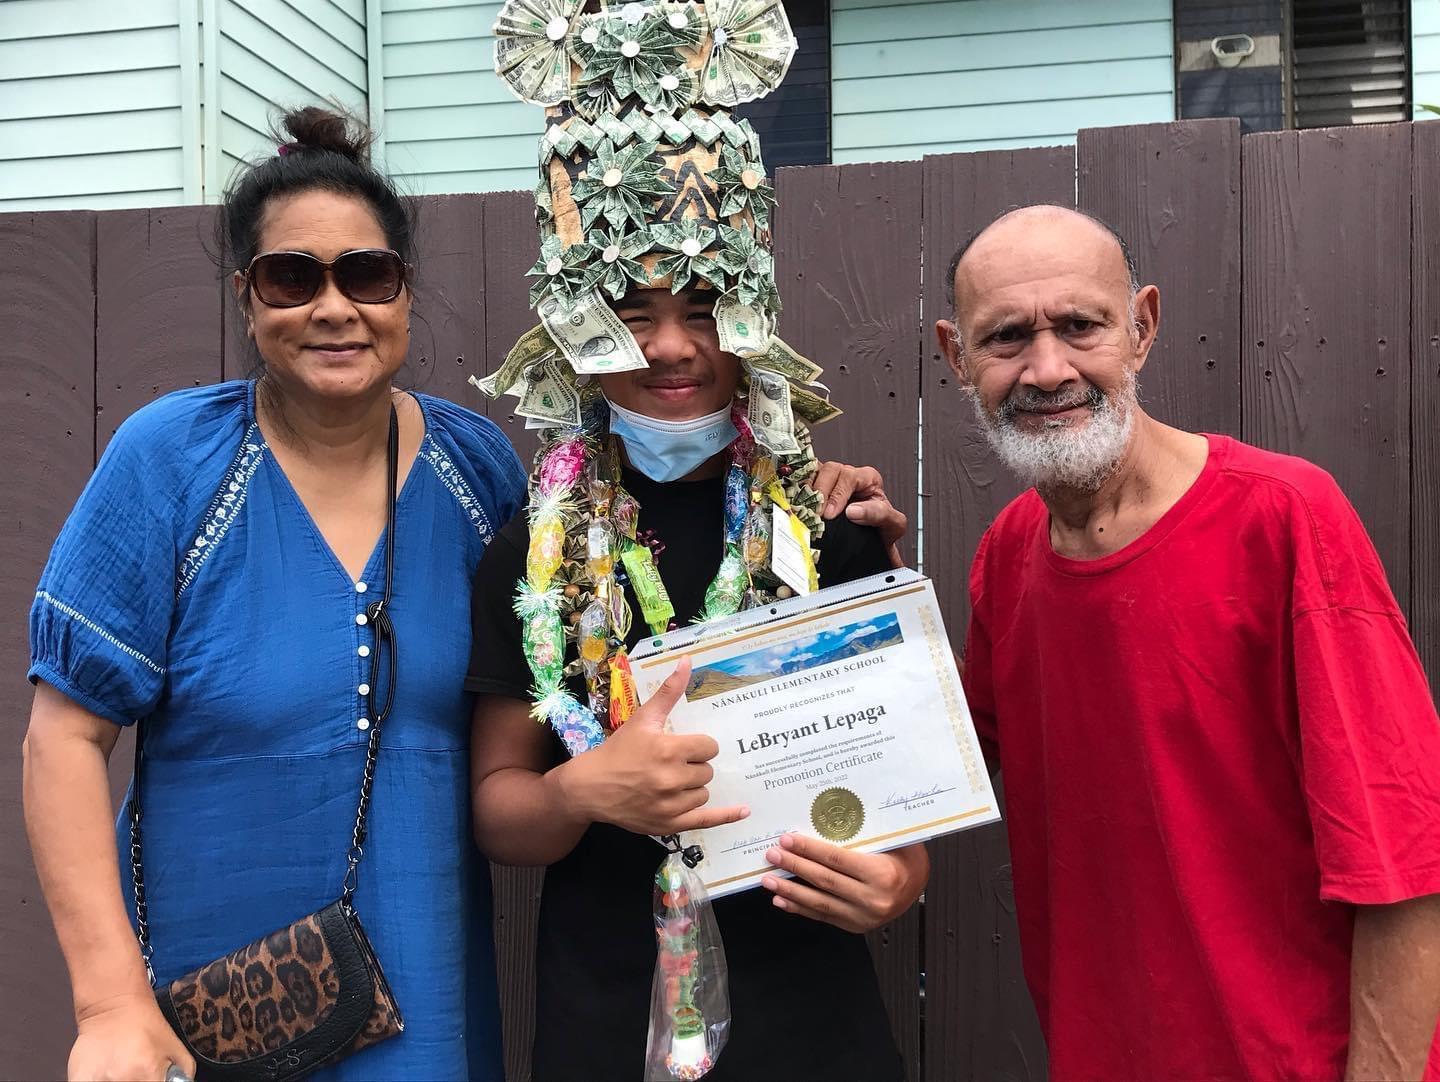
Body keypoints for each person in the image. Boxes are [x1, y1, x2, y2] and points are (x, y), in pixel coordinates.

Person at [22, 107, 529, 1081]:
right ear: (247, 299)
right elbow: (63, 738)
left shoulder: (479, 471)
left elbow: (606, 605)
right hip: (211, 1015)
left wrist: (809, 500)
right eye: (292, 277)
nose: (333, 307)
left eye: (366, 275)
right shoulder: (171, 463)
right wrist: (109, 1001)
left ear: (405, 293)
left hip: (425, 1009)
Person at [468, 2, 925, 1076]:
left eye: (706, 305)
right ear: (573, 324)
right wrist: (583, 790)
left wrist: (896, 881)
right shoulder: (531, 547)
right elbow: (501, 806)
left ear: (754, 309)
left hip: (815, 1027)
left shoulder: (829, 525)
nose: (671, 346)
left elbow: (903, 817)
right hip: (601, 1020)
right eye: (629, 310)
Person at [936, 203, 1440, 1081]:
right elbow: (935, 770)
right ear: (955, 357)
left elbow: (1405, 858)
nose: (1047, 368)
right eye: (1006, 338)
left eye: (1081, 326)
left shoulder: (1283, 519)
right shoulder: (1008, 555)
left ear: (1143, 328)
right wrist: (844, 556)